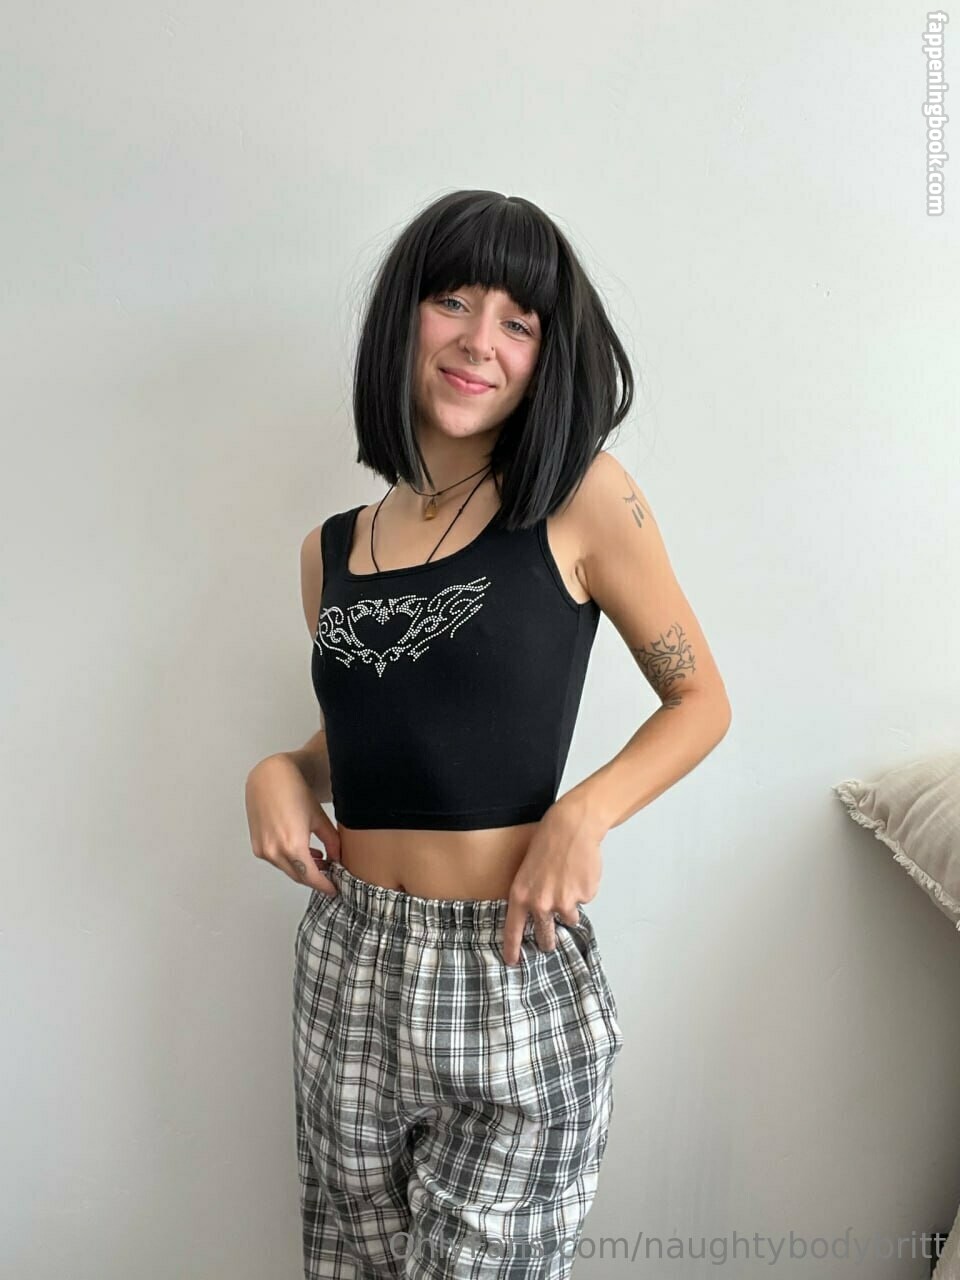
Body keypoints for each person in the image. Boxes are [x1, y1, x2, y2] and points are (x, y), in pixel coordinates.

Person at [244, 189, 732, 1279]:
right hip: (347, 963)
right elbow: (380, 728)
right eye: (454, 301)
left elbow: (700, 701)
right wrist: (284, 767)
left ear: (546, 353)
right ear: (404, 318)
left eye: (519, 321)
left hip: (506, 963)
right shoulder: (331, 550)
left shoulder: (583, 499)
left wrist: (583, 813)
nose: (480, 341)